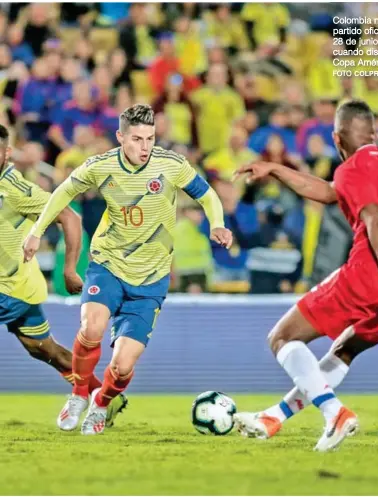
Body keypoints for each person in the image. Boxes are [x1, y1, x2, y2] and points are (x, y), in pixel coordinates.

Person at [233, 100, 378, 452]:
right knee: (345, 348)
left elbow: (375, 219)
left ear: (337, 139)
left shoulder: (352, 167)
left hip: (376, 272)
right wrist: (278, 170)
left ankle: (334, 413)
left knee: (282, 337)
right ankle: (274, 418)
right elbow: (328, 192)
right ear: (374, 134)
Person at [24, 104, 233, 436]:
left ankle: (102, 404)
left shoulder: (171, 165)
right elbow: (62, 192)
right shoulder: (101, 166)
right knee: (91, 328)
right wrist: (36, 232)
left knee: (122, 366)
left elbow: (207, 195)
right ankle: (79, 394)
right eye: (137, 139)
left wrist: (217, 223)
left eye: (150, 138)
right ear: (121, 137)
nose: (145, 147)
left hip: (151, 279)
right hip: (109, 263)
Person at [0, 124, 127, 428]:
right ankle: (101, 393)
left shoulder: (15, 190)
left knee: (45, 350)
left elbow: (69, 217)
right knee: (46, 351)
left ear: (6, 154)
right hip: (19, 287)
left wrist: (70, 269)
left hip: (10, 288)